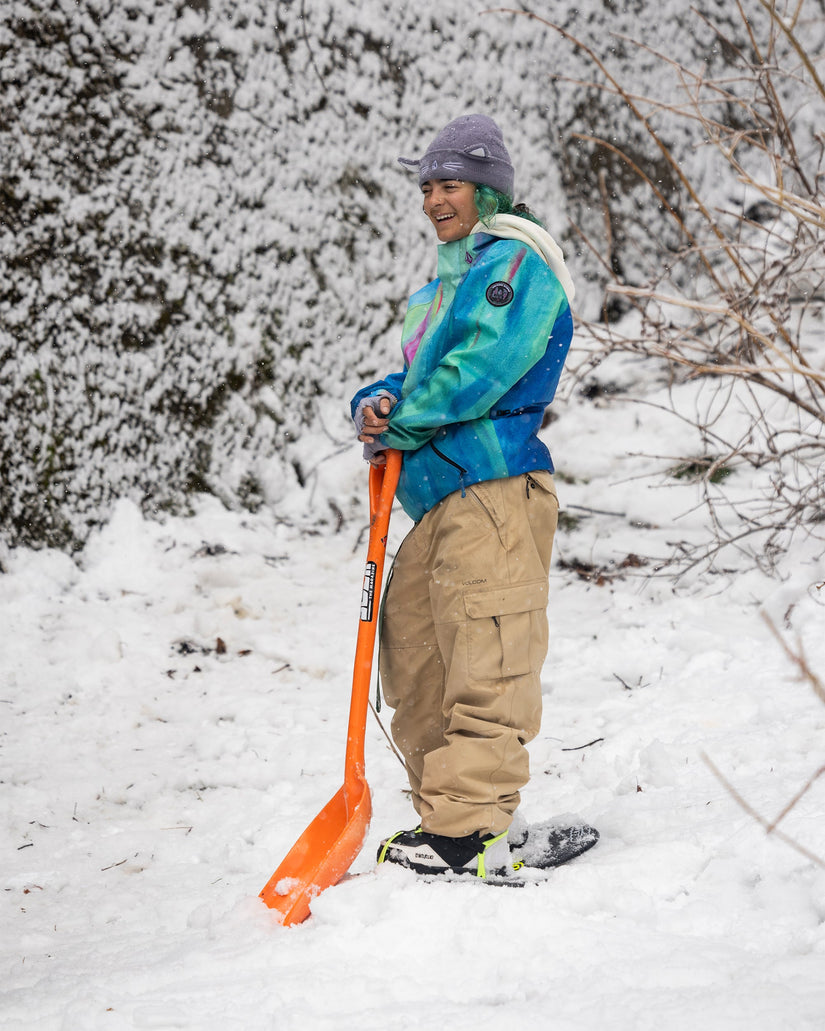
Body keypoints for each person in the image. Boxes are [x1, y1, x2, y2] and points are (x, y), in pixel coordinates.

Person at [351, 113, 575, 880]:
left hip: (494, 490)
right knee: (418, 661)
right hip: (438, 501)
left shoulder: (518, 264)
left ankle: (469, 831)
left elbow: (478, 369)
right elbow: (415, 377)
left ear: (486, 190)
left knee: (488, 658)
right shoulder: (443, 287)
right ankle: (445, 819)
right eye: (425, 186)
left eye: (448, 184)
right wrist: (375, 402)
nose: (432, 199)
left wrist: (399, 418)